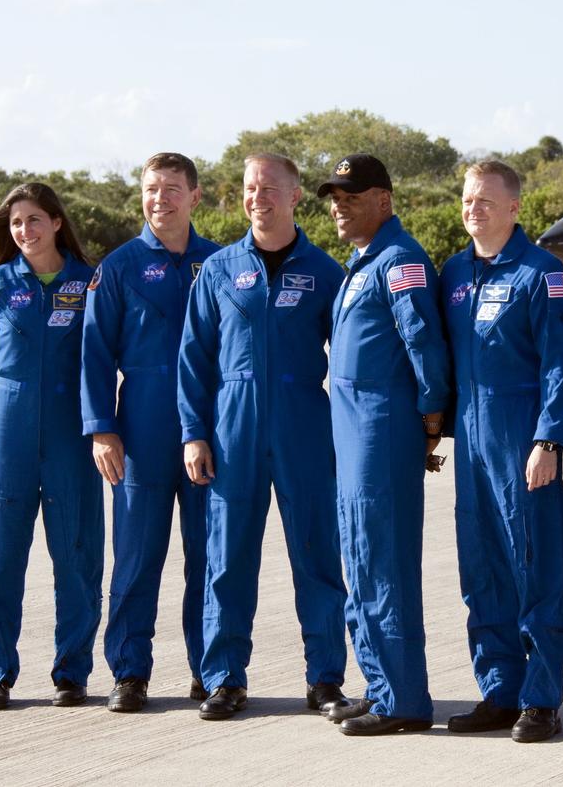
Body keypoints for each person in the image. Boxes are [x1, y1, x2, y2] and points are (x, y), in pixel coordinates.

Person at [178, 153, 350, 720]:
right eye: (252, 188)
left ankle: (325, 679)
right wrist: (194, 433)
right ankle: (224, 677)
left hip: (304, 420)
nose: (259, 198)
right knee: (226, 557)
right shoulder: (220, 270)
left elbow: (349, 361)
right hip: (233, 426)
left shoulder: (326, 272)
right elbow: (194, 359)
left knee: (317, 555)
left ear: (295, 196)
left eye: (271, 188)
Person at [438, 161, 563, 743]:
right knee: (483, 570)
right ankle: (499, 690)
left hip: (524, 440)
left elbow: (562, 364)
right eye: (468, 199)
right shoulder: (453, 273)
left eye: (487, 201)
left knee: (535, 566)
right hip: (471, 443)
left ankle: (541, 698)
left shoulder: (542, 274)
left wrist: (551, 438)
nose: (474, 209)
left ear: (515, 208)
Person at [81, 152, 221, 713]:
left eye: (170, 189)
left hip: (209, 427)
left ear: (195, 196)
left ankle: (210, 668)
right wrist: (102, 429)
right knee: (137, 555)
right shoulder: (118, 267)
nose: (159, 198)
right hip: (140, 425)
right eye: (149, 189)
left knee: (209, 557)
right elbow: (94, 354)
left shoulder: (220, 263)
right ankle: (129, 671)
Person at [318, 153, 451, 736]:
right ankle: (378, 685)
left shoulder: (401, 261)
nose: (339, 204)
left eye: (352, 194)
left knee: (385, 560)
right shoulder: (362, 262)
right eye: (334, 195)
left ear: (384, 201)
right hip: (351, 429)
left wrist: (428, 420)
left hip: (381, 424)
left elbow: (423, 344)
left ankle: (404, 701)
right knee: (359, 558)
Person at [0, 182, 103, 711]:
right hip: (10, 431)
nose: (25, 230)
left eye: (34, 220)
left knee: (77, 556)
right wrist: (15, 398)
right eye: (16, 223)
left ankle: (72, 672)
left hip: (73, 433)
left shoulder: (90, 283)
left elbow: (104, 352)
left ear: (57, 222)